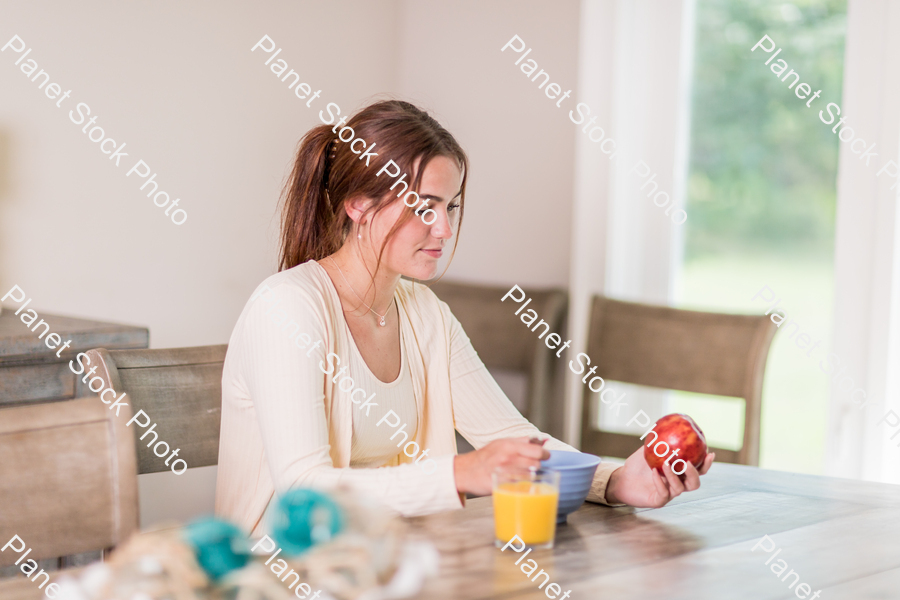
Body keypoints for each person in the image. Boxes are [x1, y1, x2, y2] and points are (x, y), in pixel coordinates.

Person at [215, 100, 715, 535]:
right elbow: (305, 491)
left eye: (451, 207)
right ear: (358, 205)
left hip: (399, 566)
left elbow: (511, 440)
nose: (445, 229)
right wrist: (459, 474)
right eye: (423, 206)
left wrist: (616, 481)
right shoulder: (287, 307)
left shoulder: (426, 315)